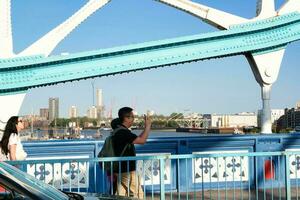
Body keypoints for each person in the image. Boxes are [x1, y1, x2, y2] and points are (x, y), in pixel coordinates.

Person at [113, 107, 151, 199]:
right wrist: (148, 126)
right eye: (132, 117)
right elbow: (142, 141)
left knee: (121, 195)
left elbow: (137, 139)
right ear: (126, 118)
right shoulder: (124, 132)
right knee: (138, 194)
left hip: (119, 168)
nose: (133, 119)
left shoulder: (119, 130)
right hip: (127, 170)